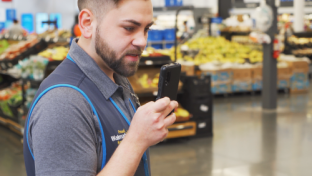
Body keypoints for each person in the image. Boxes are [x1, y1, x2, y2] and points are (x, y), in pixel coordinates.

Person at [23, 0, 178, 176]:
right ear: (87, 23)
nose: (142, 41)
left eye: (146, 29)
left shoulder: (115, 75)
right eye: (129, 28)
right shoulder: (62, 102)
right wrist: (137, 141)